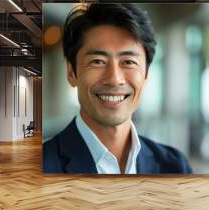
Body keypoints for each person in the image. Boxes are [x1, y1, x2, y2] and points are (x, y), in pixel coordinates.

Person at [43, 3, 192, 174]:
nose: (114, 79)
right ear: (71, 73)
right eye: (97, 61)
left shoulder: (175, 167)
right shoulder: (38, 169)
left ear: (146, 75)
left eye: (129, 62)